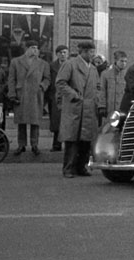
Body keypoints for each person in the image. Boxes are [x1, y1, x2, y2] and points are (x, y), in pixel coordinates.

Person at [55, 41, 99, 178]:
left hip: (89, 108)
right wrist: (73, 95)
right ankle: (68, 168)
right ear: (83, 52)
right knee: (72, 140)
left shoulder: (93, 69)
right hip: (75, 106)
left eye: (93, 52)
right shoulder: (70, 64)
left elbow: (97, 87)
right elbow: (60, 82)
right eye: (91, 52)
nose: (93, 55)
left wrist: (97, 100)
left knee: (86, 140)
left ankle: (81, 167)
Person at [8, 40, 51, 155]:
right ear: (26, 48)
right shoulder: (16, 62)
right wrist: (12, 94)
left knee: (35, 121)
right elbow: (11, 79)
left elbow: (47, 79)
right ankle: (21, 145)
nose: (35, 50)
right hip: (21, 94)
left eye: (36, 48)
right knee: (21, 122)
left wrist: (42, 86)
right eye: (32, 47)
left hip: (35, 94)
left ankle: (34, 145)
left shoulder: (43, 63)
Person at [47, 45, 69, 151]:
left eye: (64, 52)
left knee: (68, 121)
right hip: (55, 96)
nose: (63, 54)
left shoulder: (72, 65)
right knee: (56, 121)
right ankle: (56, 144)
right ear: (56, 54)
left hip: (68, 96)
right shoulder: (52, 66)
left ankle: (69, 145)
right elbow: (49, 80)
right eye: (60, 53)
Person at [97, 50, 128, 119]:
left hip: (123, 107)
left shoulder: (127, 74)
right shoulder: (105, 73)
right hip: (110, 107)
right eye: (121, 61)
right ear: (116, 61)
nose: (123, 63)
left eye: (125, 61)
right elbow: (102, 90)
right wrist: (102, 105)